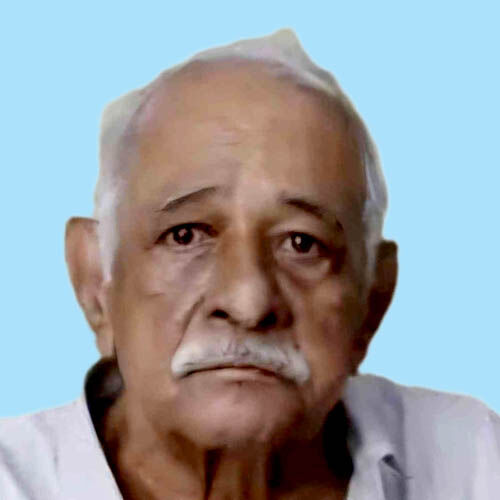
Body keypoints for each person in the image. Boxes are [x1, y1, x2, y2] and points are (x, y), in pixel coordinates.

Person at [0, 29, 499, 500]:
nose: (248, 302)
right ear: (95, 283)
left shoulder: (473, 463)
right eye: (185, 235)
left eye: (302, 243)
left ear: (372, 301)